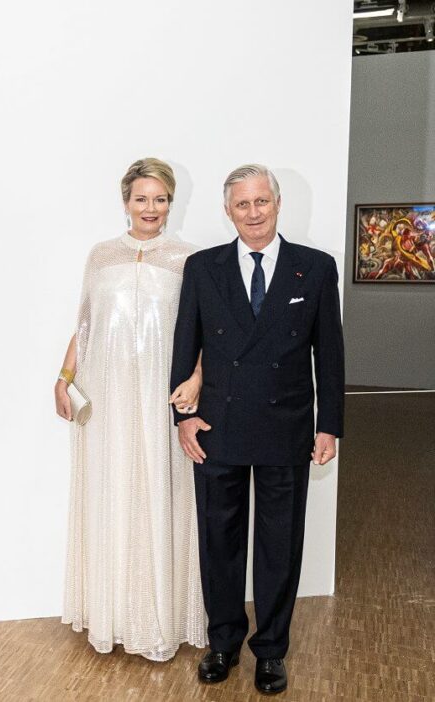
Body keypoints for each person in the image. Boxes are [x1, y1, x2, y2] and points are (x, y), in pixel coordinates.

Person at [169, 164, 345, 694]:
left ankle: (271, 650)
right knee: (218, 542)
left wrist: (328, 425)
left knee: (278, 544)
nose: (253, 213)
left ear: (278, 203)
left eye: (261, 202)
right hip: (217, 427)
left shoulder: (313, 268)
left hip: (286, 428)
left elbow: (330, 356)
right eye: (242, 204)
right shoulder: (204, 268)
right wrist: (183, 415)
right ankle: (222, 642)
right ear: (228, 210)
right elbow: (185, 344)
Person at [57, 158, 207, 662]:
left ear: (171, 203)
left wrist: (197, 379)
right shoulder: (100, 256)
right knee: (115, 491)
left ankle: (162, 617)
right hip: (110, 397)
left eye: (160, 199)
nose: (151, 208)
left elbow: (206, 333)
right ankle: (114, 615)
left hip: (161, 397)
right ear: (126, 201)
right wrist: (65, 378)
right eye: (142, 198)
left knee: (163, 492)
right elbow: (86, 323)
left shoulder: (190, 259)